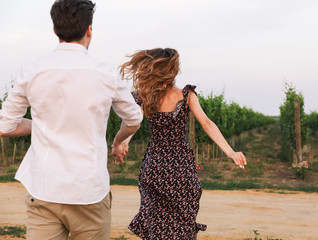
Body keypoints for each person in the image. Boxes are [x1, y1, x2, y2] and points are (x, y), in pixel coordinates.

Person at [0, 0, 143, 239]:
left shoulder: (31, 70)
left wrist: (46, 126)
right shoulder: (105, 73)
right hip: (89, 192)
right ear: (89, 29)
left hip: (44, 189)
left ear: (55, 30)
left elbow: (5, 126)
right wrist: (119, 142)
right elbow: (134, 119)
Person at [111, 48, 247, 239]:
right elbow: (207, 124)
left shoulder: (144, 97)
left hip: (155, 166)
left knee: (156, 225)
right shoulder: (187, 95)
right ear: (172, 71)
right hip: (181, 167)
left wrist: (122, 143)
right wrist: (230, 152)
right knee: (182, 223)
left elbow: (133, 124)